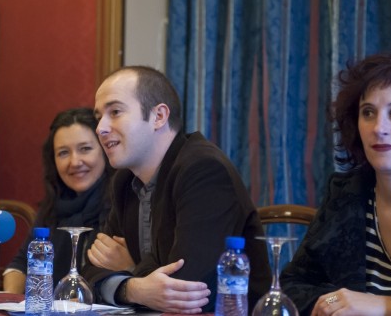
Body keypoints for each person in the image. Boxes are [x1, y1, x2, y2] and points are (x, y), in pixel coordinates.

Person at [83, 66, 271, 314]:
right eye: (99, 117)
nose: (100, 129)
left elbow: (187, 289)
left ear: (159, 116)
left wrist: (129, 267)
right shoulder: (123, 182)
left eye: (115, 112)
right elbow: (91, 270)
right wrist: (135, 287)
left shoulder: (203, 170)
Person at [281, 52, 391, 315]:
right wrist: (335, 302)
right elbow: (291, 285)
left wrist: (386, 305)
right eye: (368, 113)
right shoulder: (347, 195)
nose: (379, 127)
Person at [3, 107, 112, 293]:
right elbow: (21, 264)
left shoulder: (121, 203)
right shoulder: (55, 206)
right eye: (63, 153)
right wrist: (11, 300)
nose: (75, 162)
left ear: (105, 151)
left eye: (85, 149)